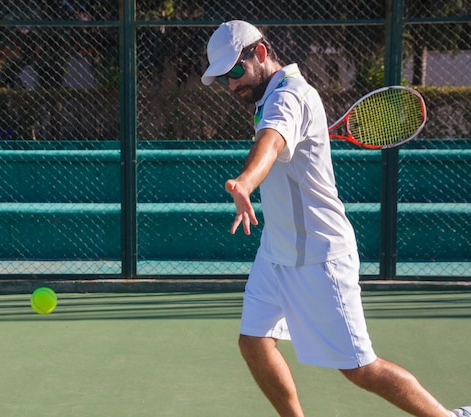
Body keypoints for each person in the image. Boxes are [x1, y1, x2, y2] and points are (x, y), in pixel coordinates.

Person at [201, 20, 469, 417]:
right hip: (278, 250)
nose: (231, 85)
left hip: (319, 255)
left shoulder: (287, 97)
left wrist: (244, 181)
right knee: (254, 341)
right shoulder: (271, 96)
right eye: (224, 77)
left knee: (360, 369)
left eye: (235, 71)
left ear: (260, 53)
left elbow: (270, 144)